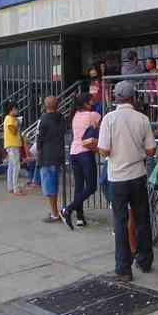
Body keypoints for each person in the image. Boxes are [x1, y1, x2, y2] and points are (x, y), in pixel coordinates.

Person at [98, 81, 156, 282]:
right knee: (142, 219)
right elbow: (151, 150)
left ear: (116, 97)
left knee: (120, 222)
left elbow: (104, 150)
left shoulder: (109, 119)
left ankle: (123, 268)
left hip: (118, 178)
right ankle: (145, 260)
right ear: (133, 97)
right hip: (138, 175)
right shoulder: (142, 119)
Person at [61, 93, 100, 228]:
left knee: (79, 186)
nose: (93, 103)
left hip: (74, 152)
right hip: (86, 153)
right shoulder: (93, 115)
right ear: (85, 103)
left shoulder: (75, 116)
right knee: (91, 186)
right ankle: (68, 209)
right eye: (91, 101)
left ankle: (80, 217)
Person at [37, 96, 66, 223]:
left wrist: (38, 154)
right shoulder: (61, 118)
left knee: (49, 186)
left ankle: (54, 213)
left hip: (47, 155)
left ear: (45, 105)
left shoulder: (43, 119)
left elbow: (39, 139)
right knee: (56, 183)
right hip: (58, 153)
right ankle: (59, 209)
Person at [3, 102, 24, 196]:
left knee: (11, 166)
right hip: (12, 145)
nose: (16, 111)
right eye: (15, 109)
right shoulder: (10, 119)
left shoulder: (10, 119)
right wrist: (18, 123)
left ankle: (11, 187)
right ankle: (15, 188)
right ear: (11, 109)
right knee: (16, 166)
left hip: (12, 145)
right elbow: (14, 132)